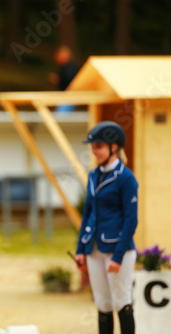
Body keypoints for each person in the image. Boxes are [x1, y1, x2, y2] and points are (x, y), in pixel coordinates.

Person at [74, 121, 138, 334]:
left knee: (121, 302)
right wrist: (80, 249)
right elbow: (88, 214)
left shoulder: (126, 178)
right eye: (93, 146)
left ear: (114, 147)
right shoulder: (93, 175)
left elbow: (131, 219)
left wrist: (118, 256)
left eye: (98, 146)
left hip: (118, 249)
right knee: (103, 304)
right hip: (94, 248)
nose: (94, 151)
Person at [49, 45, 79, 112]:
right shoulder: (64, 67)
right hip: (66, 96)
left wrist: (58, 79)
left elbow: (70, 79)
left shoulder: (69, 67)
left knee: (61, 116)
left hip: (69, 96)